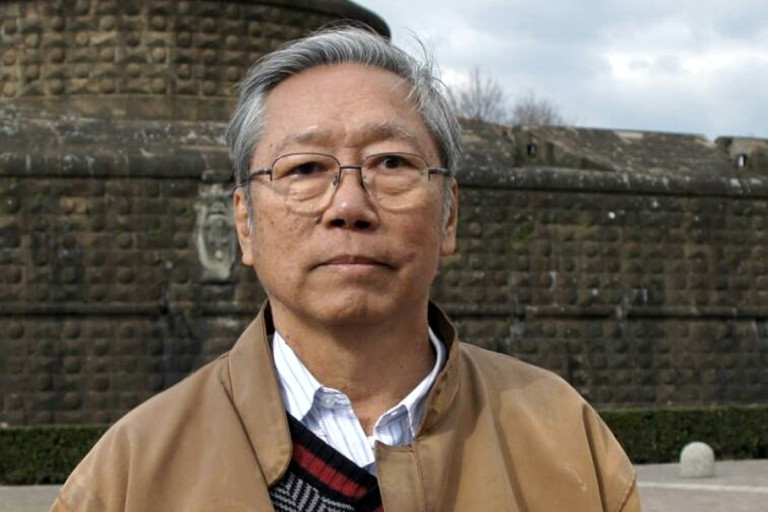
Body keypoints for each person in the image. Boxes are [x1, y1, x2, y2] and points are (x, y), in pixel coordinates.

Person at [51, 26, 640, 512]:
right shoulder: (129, 475)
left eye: (391, 162)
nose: (349, 206)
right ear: (245, 223)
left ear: (449, 215)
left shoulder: (564, 437)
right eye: (305, 168)